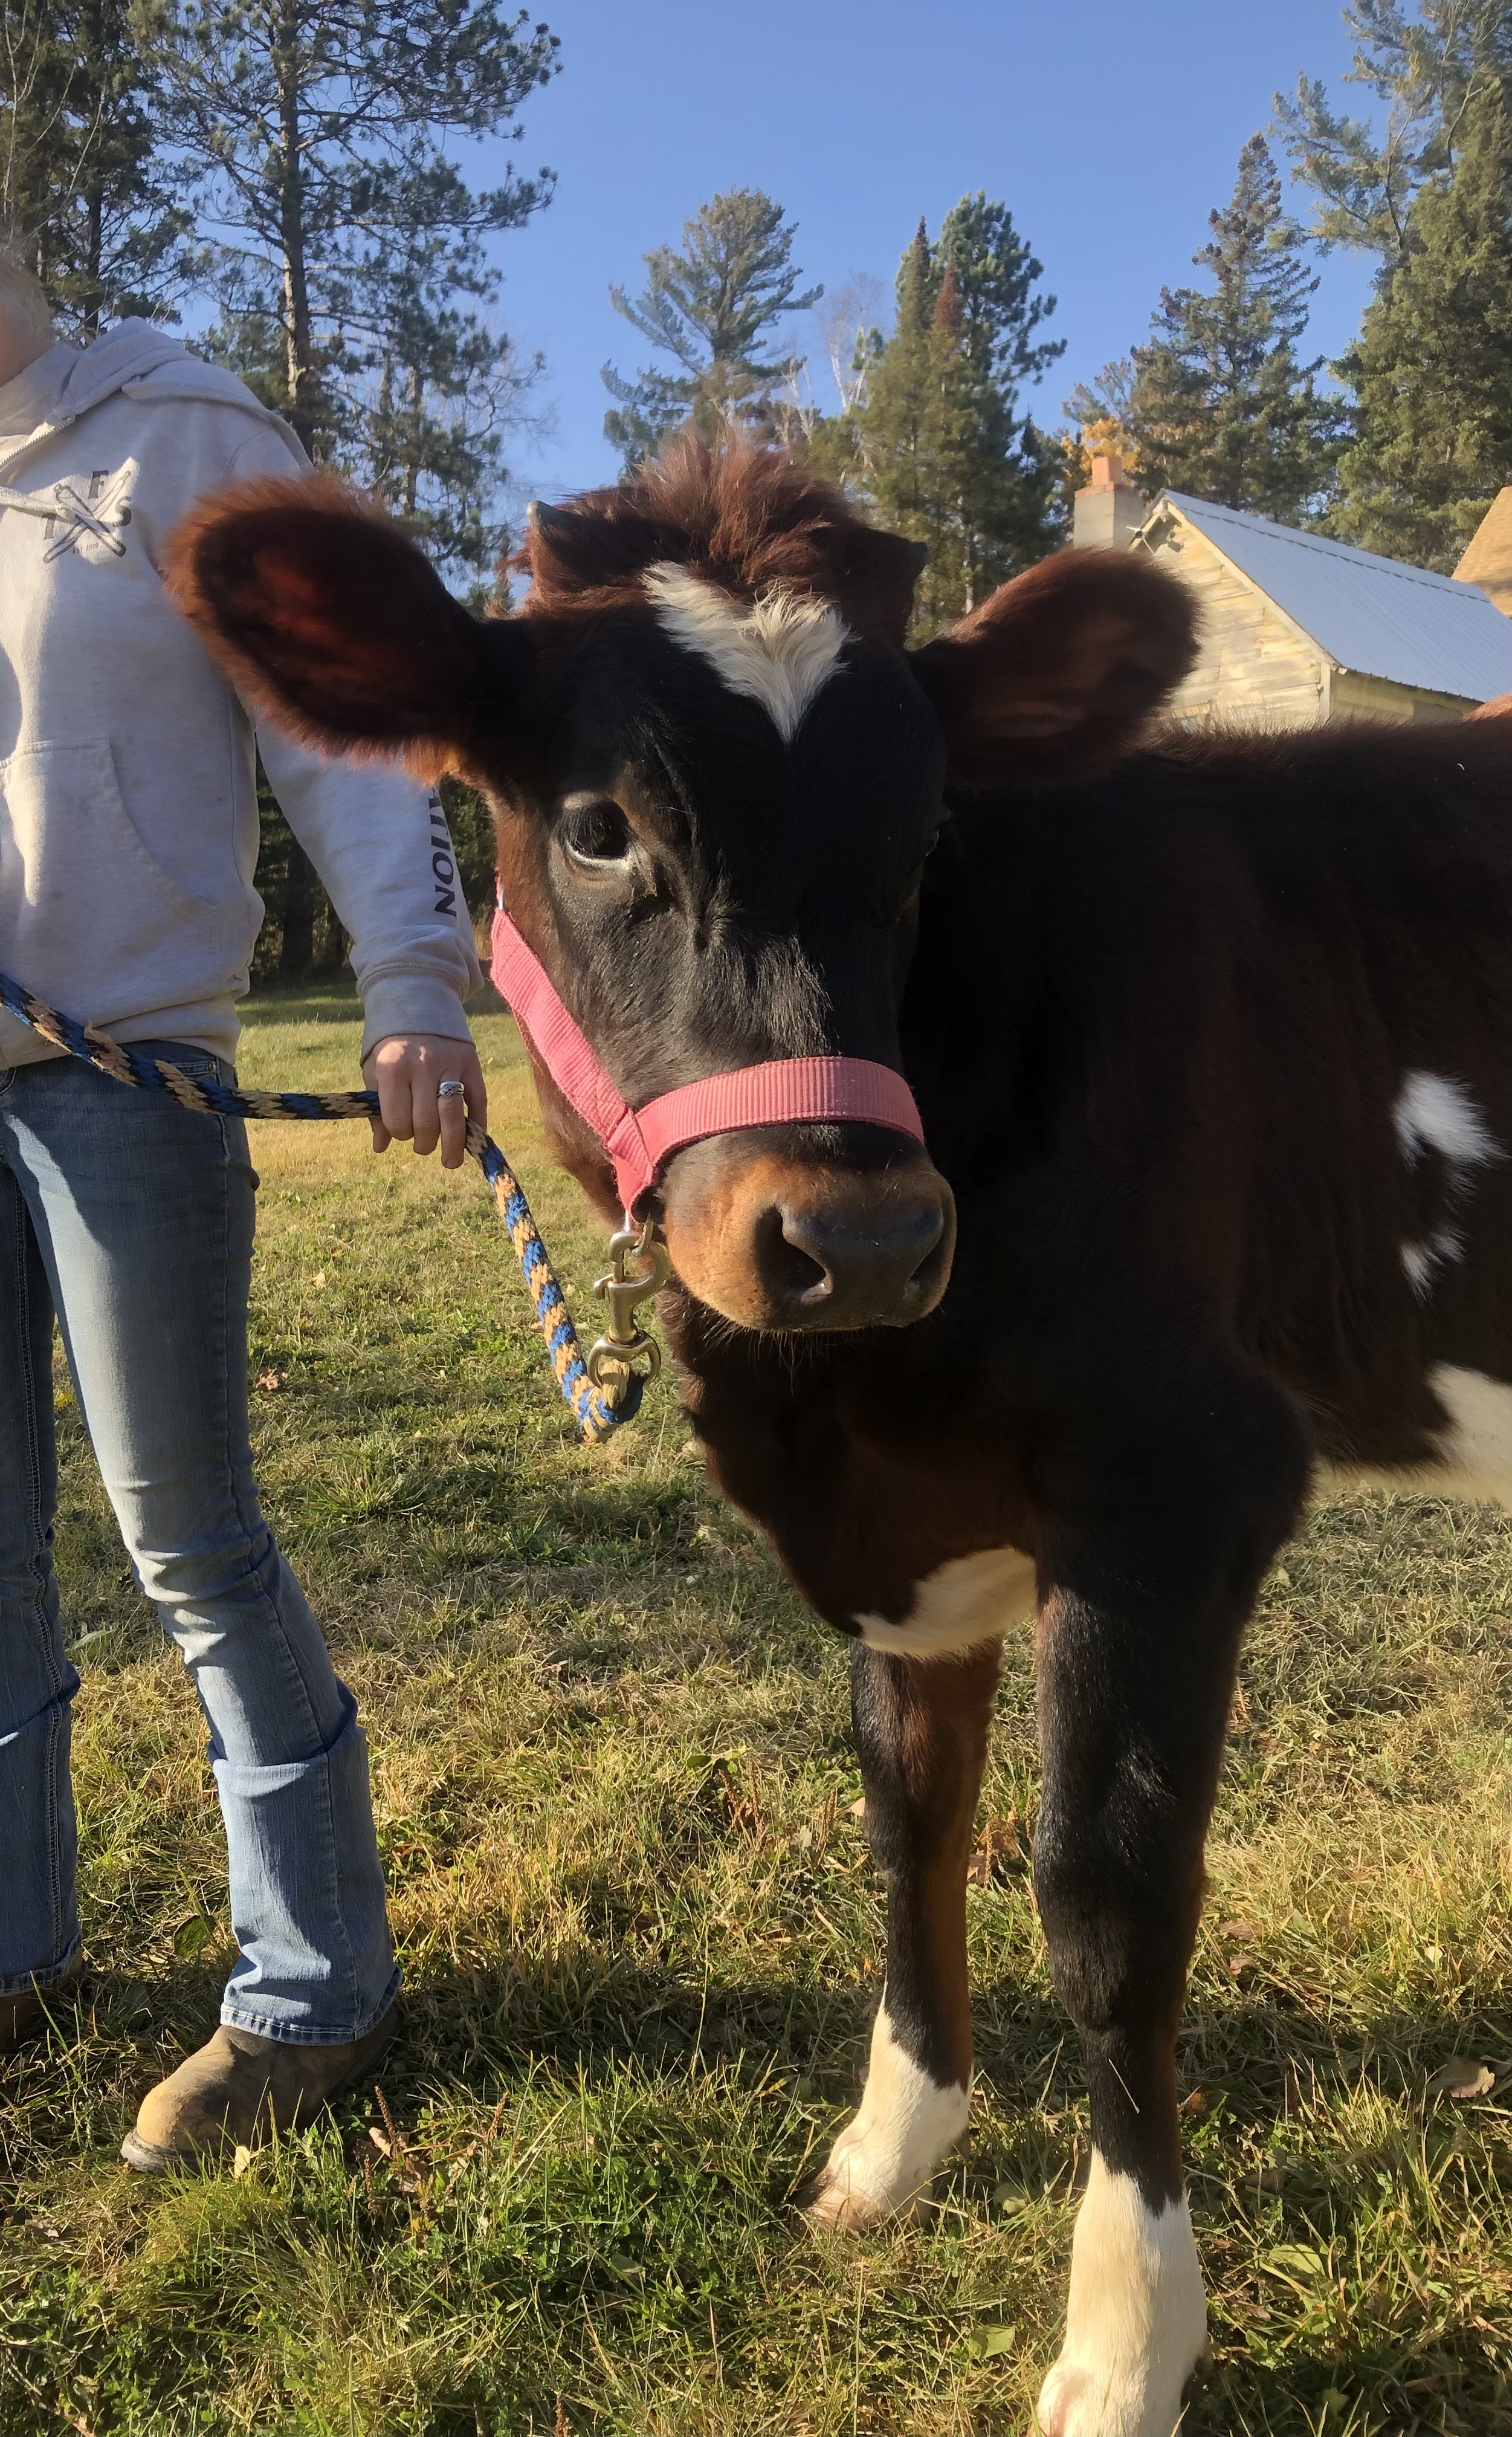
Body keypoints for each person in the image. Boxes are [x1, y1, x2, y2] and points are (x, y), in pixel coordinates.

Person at [0, 250, 488, 2169]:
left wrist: (413, 989)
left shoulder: (183, 430)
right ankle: (19, 1947)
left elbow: (344, 737)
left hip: (129, 1077)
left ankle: (314, 1991)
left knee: (189, 1546)